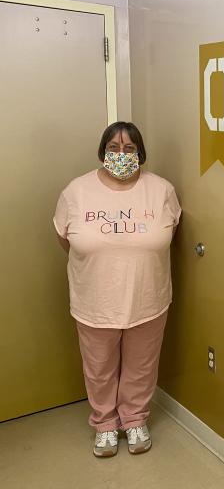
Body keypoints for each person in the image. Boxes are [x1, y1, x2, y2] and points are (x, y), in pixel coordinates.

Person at [53, 121, 181, 457]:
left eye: (128, 148)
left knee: (142, 365)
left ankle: (135, 419)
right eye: (113, 148)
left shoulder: (162, 190)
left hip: (148, 298)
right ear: (102, 151)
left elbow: (169, 233)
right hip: (95, 301)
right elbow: (65, 238)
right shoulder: (75, 191)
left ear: (139, 152)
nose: (121, 155)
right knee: (99, 368)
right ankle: (106, 424)